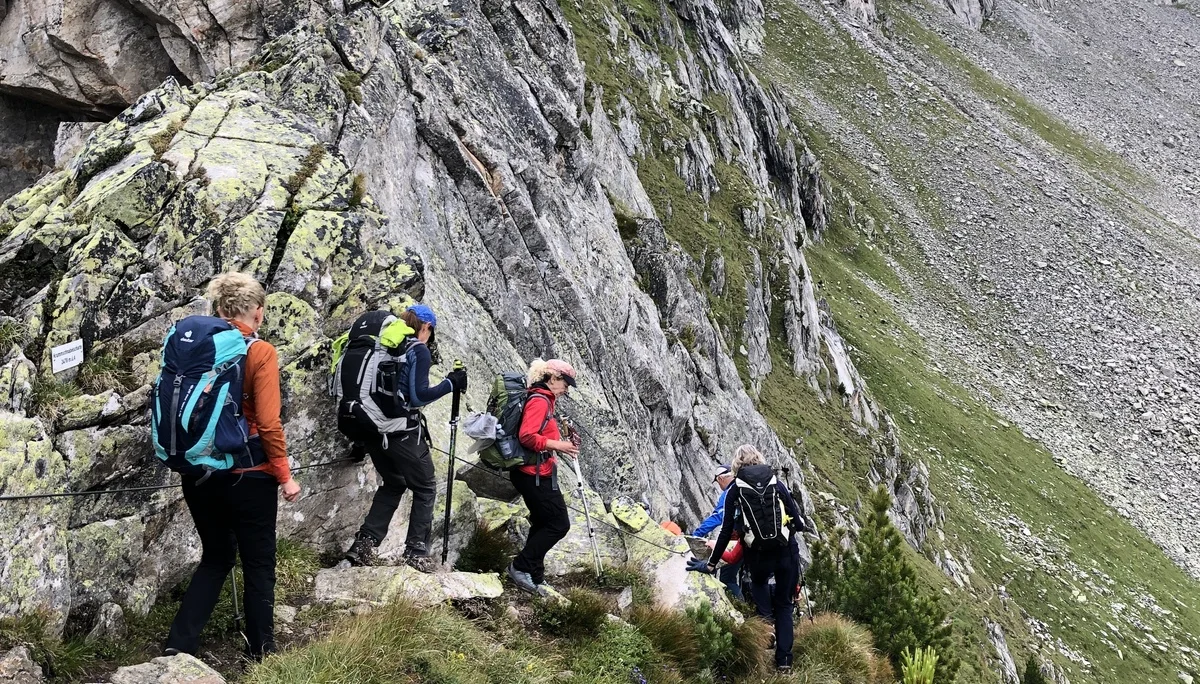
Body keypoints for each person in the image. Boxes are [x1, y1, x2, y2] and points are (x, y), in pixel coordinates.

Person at [165, 272, 301, 660]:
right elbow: (269, 423)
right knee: (258, 565)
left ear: (220, 308)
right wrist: (285, 476)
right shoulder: (260, 351)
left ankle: (178, 645)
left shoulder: (194, 347)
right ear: (256, 312)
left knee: (216, 557)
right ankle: (261, 653)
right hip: (249, 476)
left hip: (198, 472)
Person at [344, 304, 467, 570]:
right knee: (425, 487)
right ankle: (416, 552)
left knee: (394, 482)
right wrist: (451, 383)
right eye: (430, 332)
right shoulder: (417, 349)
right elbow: (419, 396)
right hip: (400, 431)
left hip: (371, 428)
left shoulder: (381, 346)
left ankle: (363, 547)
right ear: (427, 327)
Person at [701, 445, 803, 675]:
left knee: (758, 585)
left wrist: (711, 563)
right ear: (759, 459)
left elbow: (726, 530)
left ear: (736, 465)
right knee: (785, 605)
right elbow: (798, 522)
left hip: (757, 555)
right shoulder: (776, 483)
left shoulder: (735, 489)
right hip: (786, 552)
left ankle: (766, 628)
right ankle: (784, 662)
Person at [506, 358, 580, 595]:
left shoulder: (544, 398)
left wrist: (560, 442)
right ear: (553, 378)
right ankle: (520, 567)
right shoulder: (539, 400)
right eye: (565, 383)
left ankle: (535, 574)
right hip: (533, 474)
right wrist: (559, 446)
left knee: (542, 522)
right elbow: (527, 436)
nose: (566, 389)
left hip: (536, 472)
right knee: (559, 524)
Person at [695, 463, 744, 601]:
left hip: (738, 543)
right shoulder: (744, 487)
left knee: (727, 579)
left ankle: (741, 609)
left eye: (717, 482)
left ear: (721, 478)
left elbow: (717, 517)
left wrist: (696, 534)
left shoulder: (729, 492)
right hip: (757, 539)